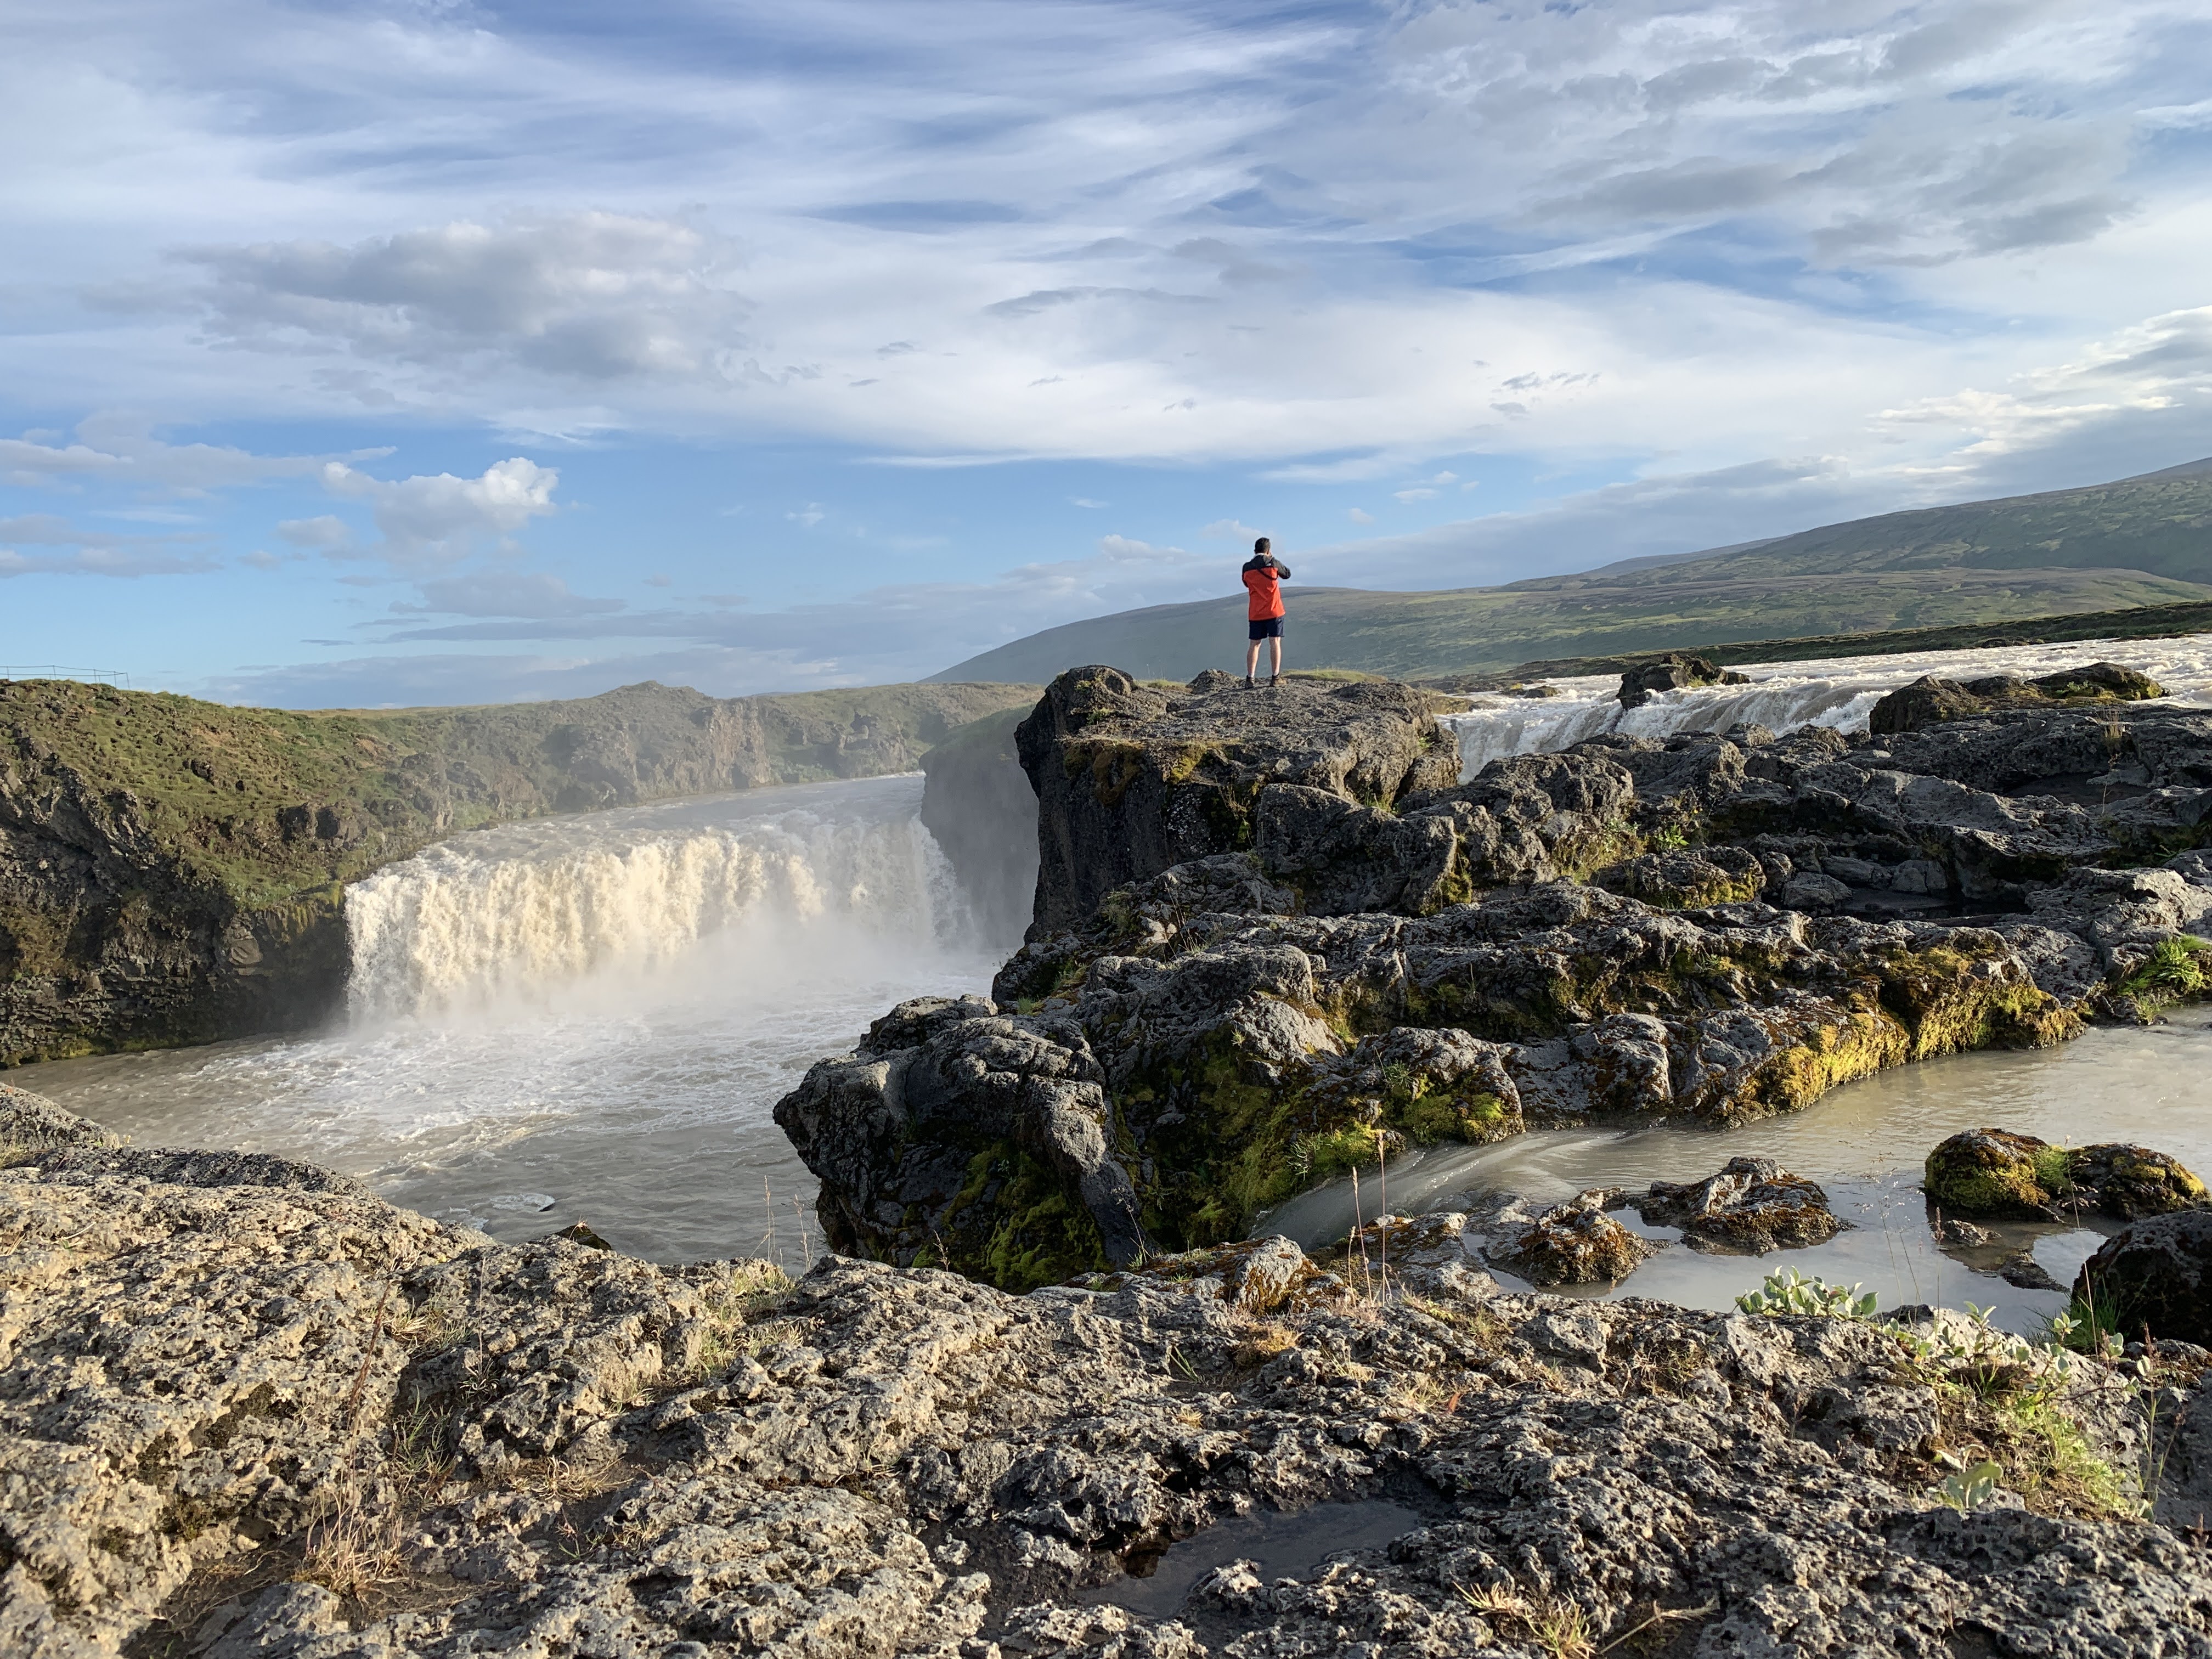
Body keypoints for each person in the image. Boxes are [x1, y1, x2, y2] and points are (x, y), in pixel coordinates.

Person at [1242, 537, 1291, 686]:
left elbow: (1246, 584)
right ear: (1268, 551)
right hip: (1274, 610)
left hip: (1256, 612)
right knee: (1275, 642)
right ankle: (1276, 677)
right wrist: (1272, 559)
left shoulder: (1247, 567)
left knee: (1254, 645)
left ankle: (1250, 679)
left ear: (1254, 550)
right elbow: (1287, 574)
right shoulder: (1273, 563)